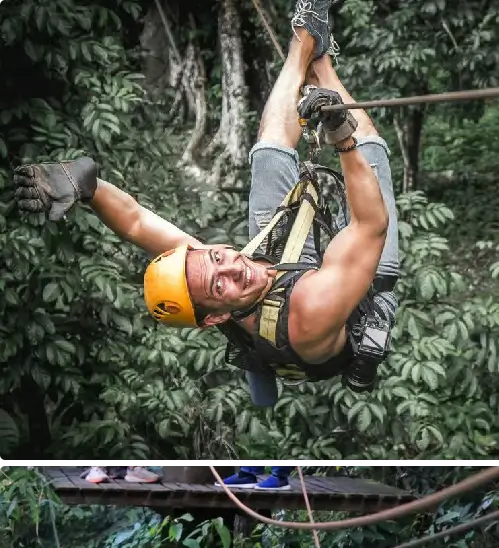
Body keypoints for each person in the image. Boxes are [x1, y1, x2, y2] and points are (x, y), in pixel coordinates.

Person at [13, 0, 399, 410]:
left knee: (269, 152)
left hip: (277, 285)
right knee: (370, 156)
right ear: (215, 318)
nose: (234, 265)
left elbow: (138, 224)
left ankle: (304, 43)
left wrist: (85, 185)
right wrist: (341, 136)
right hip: (334, 301)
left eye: (215, 256)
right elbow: (368, 224)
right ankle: (319, 62)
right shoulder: (311, 310)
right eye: (220, 283)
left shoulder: (208, 278)